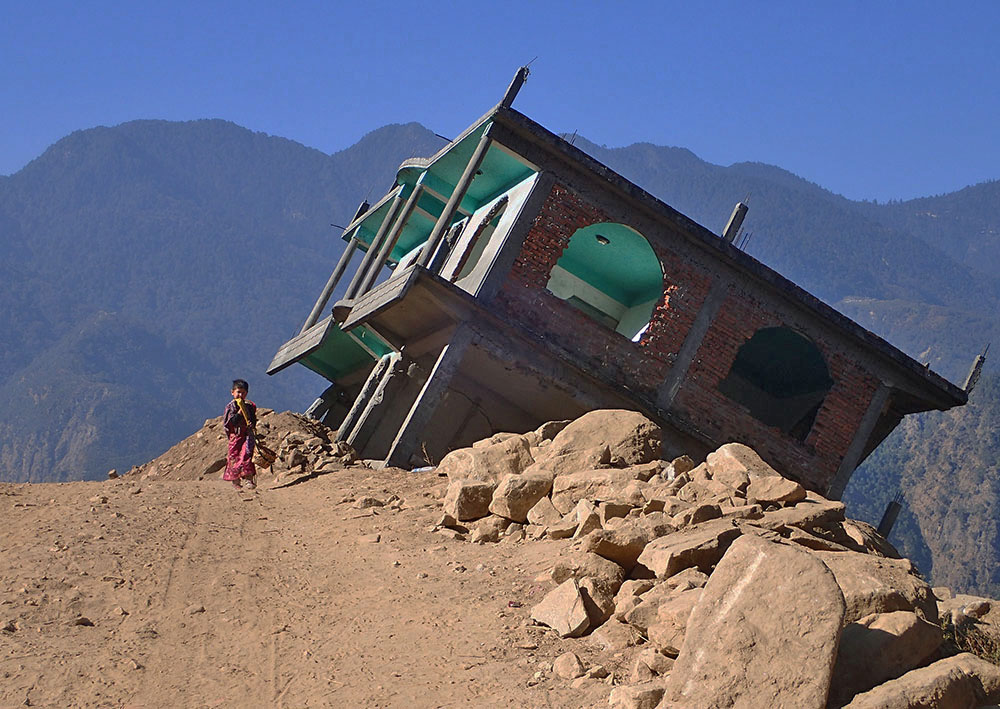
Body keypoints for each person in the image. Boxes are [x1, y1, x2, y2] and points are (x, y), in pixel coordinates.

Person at [222, 378, 257, 490]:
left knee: (247, 455)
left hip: (247, 435)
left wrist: (251, 424)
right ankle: (235, 481)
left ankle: (249, 479)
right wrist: (239, 413)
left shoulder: (249, 406)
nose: (240, 395)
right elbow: (231, 422)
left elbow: (253, 419)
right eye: (238, 392)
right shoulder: (230, 407)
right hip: (235, 437)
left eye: (243, 393)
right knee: (234, 457)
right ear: (232, 392)